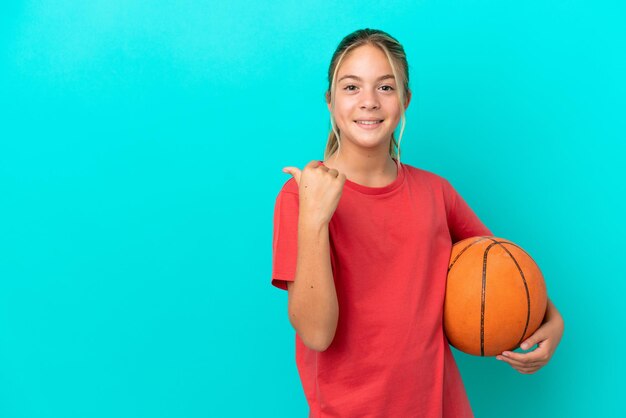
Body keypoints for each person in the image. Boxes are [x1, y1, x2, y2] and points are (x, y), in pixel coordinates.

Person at [271, 28, 564, 417]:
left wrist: (553, 320)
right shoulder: (300, 196)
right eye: (351, 87)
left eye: (386, 88)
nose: (369, 102)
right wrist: (314, 219)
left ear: (405, 99)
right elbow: (316, 334)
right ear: (330, 101)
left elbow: (502, 274)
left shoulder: (436, 193)